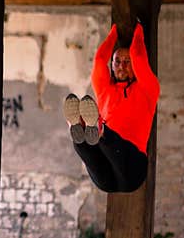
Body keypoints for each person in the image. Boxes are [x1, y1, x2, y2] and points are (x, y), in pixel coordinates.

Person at [63, 22, 159, 193]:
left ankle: (99, 130)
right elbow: (100, 59)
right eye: (117, 61)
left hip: (132, 170)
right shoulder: (104, 90)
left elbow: (137, 54)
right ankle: (77, 127)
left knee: (110, 141)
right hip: (105, 178)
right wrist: (113, 34)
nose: (121, 66)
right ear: (112, 66)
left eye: (127, 62)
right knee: (87, 148)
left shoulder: (148, 88)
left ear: (134, 66)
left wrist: (138, 30)